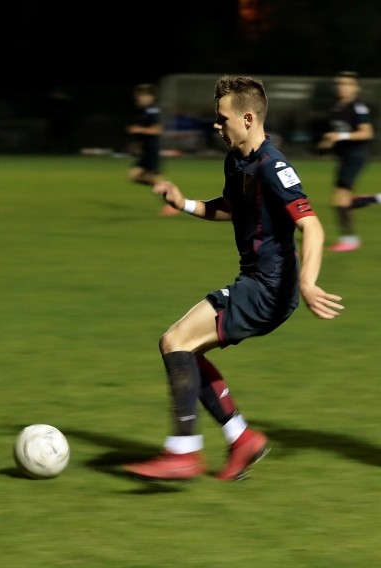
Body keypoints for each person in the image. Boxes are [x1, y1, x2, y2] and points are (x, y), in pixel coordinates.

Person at [124, 75, 344, 482]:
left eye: (221, 118)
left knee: (175, 341)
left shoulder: (275, 166)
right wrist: (184, 202)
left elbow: (311, 226)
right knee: (187, 352)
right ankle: (241, 439)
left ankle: (183, 452)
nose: (216, 125)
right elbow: (231, 207)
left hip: (269, 289)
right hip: (257, 283)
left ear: (247, 118)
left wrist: (308, 282)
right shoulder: (237, 160)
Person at [318, 71, 381, 252]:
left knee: (340, 199)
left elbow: (367, 132)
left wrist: (340, 135)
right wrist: (328, 142)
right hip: (345, 157)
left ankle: (350, 240)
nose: (342, 87)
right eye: (340, 83)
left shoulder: (357, 107)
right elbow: (338, 136)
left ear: (356, 88)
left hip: (356, 155)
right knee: (343, 200)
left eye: (347, 84)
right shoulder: (337, 109)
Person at [126, 83, 177, 216]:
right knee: (134, 176)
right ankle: (162, 186)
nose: (140, 98)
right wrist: (137, 144)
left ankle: (172, 203)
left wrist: (138, 129)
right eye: (139, 95)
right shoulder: (144, 111)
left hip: (152, 151)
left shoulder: (152, 110)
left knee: (153, 178)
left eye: (143, 95)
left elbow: (157, 129)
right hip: (145, 151)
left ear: (151, 97)